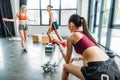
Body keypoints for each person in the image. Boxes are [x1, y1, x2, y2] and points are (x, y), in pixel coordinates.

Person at [58, 14, 120, 80]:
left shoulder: (72, 37)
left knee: (65, 67)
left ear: (70, 24)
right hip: (113, 66)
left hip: (100, 71)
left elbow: (67, 61)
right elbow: (90, 55)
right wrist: (75, 59)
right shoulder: (87, 35)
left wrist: (60, 47)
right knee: (85, 62)